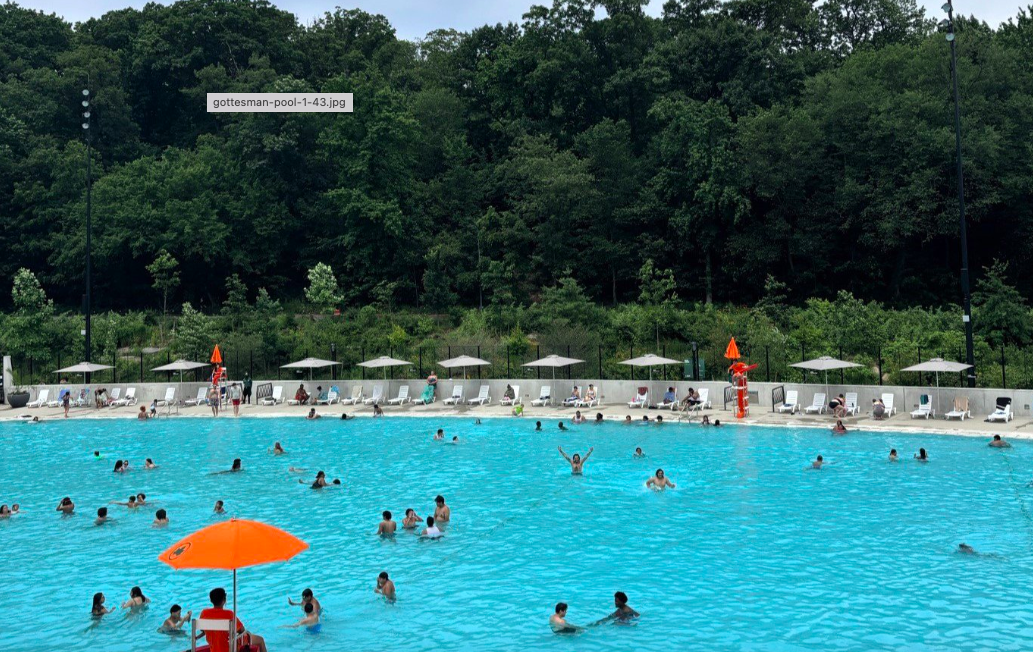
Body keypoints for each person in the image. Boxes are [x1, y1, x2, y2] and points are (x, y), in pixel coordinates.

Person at [200, 587, 267, 652]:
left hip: (214, 648)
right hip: (230, 647)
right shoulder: (229, 614)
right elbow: (242, 631)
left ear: (211, 600)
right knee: (260, 640)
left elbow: (203, 630)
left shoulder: (204, 613)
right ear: (224, 600)